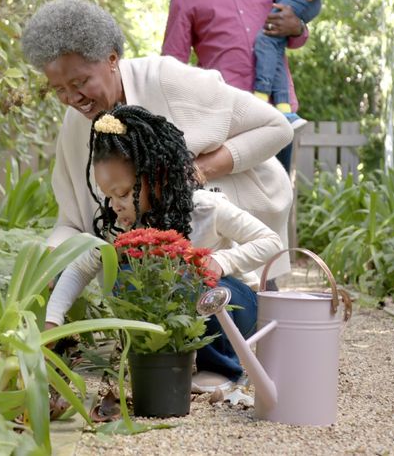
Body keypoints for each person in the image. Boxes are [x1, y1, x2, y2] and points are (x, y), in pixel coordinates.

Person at [20, 0, 293, 288]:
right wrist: (50, 261)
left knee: (248, 309)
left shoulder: (167, 79)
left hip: (243, 200)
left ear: (112, 59)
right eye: (59, 89)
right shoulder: (74, 126)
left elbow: (276, 127)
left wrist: (194, 171)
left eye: (80, 83)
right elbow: (73, 221)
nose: (72, 99)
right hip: (176, 250)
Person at [43, 105, 281, 393]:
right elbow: (80, 268)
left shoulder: (205, 208)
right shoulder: (122, 227)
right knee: (127, 274)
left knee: (196, 284)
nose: (115, 205)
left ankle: (222, 369)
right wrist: (52, 321)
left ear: (157, 177)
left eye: (122, 193)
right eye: (108, 196)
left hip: (232, 306)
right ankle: (156, 357)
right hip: (184, 313)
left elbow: (272, 242)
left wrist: (222, 261)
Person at [162, 0, 308, 172]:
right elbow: (172, 66)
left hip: (278, 110)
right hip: (226, 116)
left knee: (278, 201)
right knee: (236, 205)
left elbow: (297, 35)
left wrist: (297, 27)